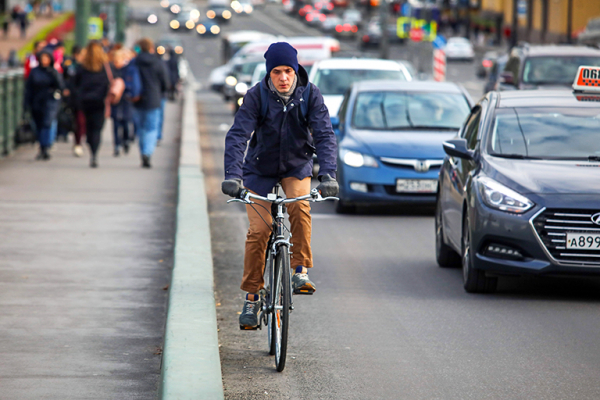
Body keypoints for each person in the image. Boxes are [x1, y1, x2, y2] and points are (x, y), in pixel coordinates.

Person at [221, 42, 339, 329]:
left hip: (296, 166)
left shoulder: (310, 95)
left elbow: (324, 134)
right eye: (277, 72)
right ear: (269, 73)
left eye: (288, 70)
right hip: (259, 171)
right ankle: (251, 296)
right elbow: (238, 137)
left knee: (300, 206)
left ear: (296, 69)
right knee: (259, 230)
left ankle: (300, 270)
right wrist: (233, 177)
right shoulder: (255, 97)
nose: (284, 77)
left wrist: (328, 175)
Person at [133, 37, 169, 168]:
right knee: (151, 128)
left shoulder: (135, 61)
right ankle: (147, 152)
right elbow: (165, 81)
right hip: (153, 98)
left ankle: (143, 151)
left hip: (137, 99)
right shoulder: (157, 62)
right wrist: (162, 91)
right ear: (151, 47)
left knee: (141, 128)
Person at [75, 41, 111, 168]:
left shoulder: (82, 67)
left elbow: (75, 84)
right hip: (100, 102)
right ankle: (94, 154)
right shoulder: (105, 67)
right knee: (97, 129)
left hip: (85, 101)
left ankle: (92, 148)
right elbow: (111, 82)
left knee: (89, 128)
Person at [24, 49, 64, 160]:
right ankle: (42, 146)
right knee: (39, 125)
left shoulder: (53, 71)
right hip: (37, 101)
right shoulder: (35, 71)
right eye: (42, 58)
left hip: (50, 101)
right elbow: (29, 89)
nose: (44, 61)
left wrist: (54, 75)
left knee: (47, 123)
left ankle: (45, 147)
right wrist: (26, 104)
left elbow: (61, 86)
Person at [110, 48, 133, 156]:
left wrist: (123, 87)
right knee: (115, 123)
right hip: (115, 100)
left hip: (125, 99)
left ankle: (125, 140)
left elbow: (132, 84)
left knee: (125, 123)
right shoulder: (111, 70)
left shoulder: (128, 70)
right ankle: (117, 145)